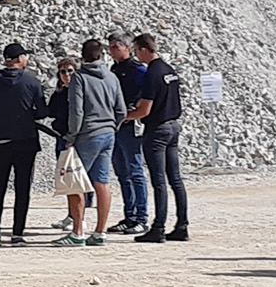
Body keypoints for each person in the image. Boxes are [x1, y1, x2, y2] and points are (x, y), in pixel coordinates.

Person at [53, 38, 122, 248]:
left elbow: (77, 111)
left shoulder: (80, 78)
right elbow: (121, 110)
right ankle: (100, 231)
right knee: (101, 182)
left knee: (76, 181)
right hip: (108, 133)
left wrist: (71, 136)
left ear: (82, 55)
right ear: (102, 55)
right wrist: (112, 127)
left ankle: (78, 232)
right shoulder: (112, 77)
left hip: (86, 134)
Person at [0, 40, 46, 244]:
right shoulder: (32, 83)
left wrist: (2, 122)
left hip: (0, 140)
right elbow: (42, 112)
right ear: (20, 59)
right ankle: (17, 233)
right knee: (22, 188)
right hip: (26, 140)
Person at [131, 33, 188, 243]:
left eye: (136, 50)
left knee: (159, 181)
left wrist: (126, 117)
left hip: (157, 129)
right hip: (173, 125)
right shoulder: (169, 70)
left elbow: (145, 109)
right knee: (175, 178)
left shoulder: (152, 74)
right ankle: (182, 224)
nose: (135, 55)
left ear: (144, 49)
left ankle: (159, 227)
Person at [108, 34, 150, 234]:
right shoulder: (114, 69)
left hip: (130, 126)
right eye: (110, 47)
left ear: (127, 48)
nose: (112, 50)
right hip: (115, 126)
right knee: (122, 173)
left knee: (134, 171)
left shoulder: (138, 70)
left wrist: (132, 112)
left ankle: (142, 217)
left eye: (116, 46)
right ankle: (129, 215)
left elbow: (147, 94)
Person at [46, 56, 85, 230]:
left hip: (77, 139)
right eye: (63, 71)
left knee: (78, 177)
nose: (67, 74)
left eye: (70, 70)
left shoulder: (80, 91)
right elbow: (50, 111)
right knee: (66, 176)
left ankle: (80, 217)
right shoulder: (58, 94)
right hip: (61, 138)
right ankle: (71, 215)